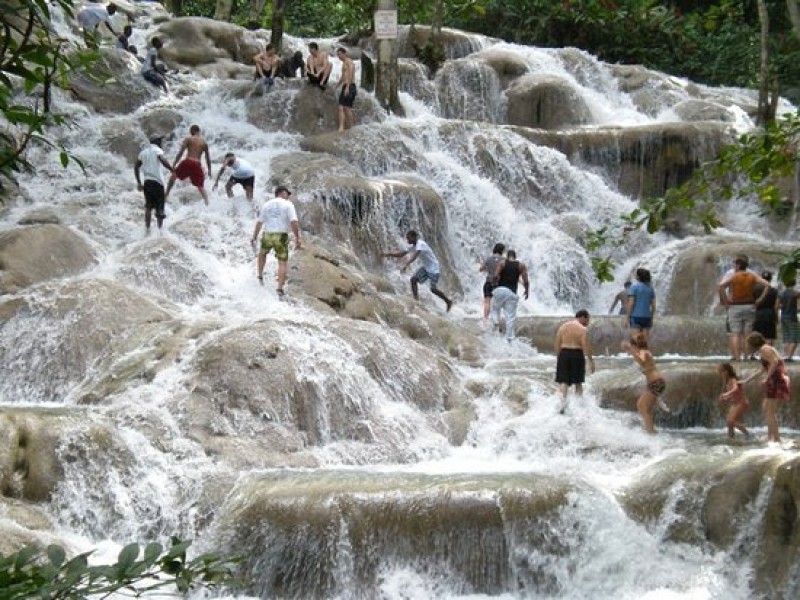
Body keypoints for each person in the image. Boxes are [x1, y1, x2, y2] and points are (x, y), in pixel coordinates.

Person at [383, 230, 453, 312]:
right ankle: (416, 300)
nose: (407, 240)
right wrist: (388, 254)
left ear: (413, 237)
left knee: (433, 289)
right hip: (426, 267)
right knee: (413, 280)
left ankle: (448, 301)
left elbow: (415, 255)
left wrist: (406, 264)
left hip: (434, 268)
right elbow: (402, 254)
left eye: (408, 238)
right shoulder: (414, 246)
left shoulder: (421, 244)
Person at [250, 186, 302, 297]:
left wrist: (254, 236)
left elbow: (259, 222)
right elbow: (293, 222)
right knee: (282, 262)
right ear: (282, 193)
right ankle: (279, 289)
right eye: (287, 194)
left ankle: (260, 276)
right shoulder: (288, 204)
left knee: (262, 254)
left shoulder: (267, 204)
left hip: (268, 234)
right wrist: (297, 238)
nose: (288, 196)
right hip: (281, 235)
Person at [718, 256, 769, 361]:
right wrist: (760, 299)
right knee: (747, 334)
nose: (734, 267)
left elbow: (721, 286)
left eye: (735, 265)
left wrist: (725, 301)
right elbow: (767, 284)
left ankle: (737, 358)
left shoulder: (734, 276)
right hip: (749, 306)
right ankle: (746, 357)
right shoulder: (752, 276)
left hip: (735, 306)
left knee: (735, 334)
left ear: (738, 265)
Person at [745, 332, 791, 443]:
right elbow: (762, 369)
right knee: (766, 408)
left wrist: (767, 378)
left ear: (753, 343)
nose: (746, 346)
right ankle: (770, 436)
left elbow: (775, 362)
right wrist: (746, 380)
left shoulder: (765, 349)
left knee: (770, 411)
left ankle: (777, 439)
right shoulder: (765, 349)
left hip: (775, 381)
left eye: (748, 344)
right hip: (774, 380)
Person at [621, 332, 665, 434]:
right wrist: (630, 349)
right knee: (644, 407)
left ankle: (650, 433)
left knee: (643, 407)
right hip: (654, 383)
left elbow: (641, 361)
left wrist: (630, 348)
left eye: (633, 346)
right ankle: (650, 430)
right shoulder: (642, 352)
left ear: (635, 346)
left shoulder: (644, 352)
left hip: (656, 382)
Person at [554, 310, 595, 414]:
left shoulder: (563, 327)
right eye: (587, 319)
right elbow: (585, 346)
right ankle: (579, 406)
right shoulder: (583, 329)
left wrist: (559, 358)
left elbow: (557, 344)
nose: (588, 322)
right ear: (582, 317)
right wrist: (591, 361)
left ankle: (562, 405)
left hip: (564, 353)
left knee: (563, 381)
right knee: (578, 382)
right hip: (577, 354)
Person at [133, 135, 173, 234]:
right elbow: (163, 160)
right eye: (160, 141)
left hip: (147, 182)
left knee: (148, 207)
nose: (161, 142)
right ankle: (160, 231)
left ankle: (147, 229)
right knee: (160, 208)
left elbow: (136, 167)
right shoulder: (157, 150)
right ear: (157, 142)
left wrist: (139, 182)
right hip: (157, 182)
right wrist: (172, 169)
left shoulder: (143, 152)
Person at [489, 249, 530, 343]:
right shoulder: (521, 266)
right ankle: (509, 339)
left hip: (500, 290)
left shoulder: (502, 263)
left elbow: (495, 276)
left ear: (507, 256)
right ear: (515, 257)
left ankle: (496, 323)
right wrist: (527, 291)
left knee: (495, 309)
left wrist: (493, 284)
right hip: (511, 293)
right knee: (510, 317)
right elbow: (526, 280)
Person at [165, 124, 212, 206]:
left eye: (190, 132)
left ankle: (166, 194)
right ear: (199, 131)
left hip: (188, 161)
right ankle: (207, 203)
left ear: (193, 131)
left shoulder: (188, 139)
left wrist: (174, 163)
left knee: (174, 175)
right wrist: (209, 170)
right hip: (197, 164)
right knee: (200, 186)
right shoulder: (204, 143)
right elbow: (208, 158)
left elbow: (181, 152)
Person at [717, 362, 751, 441]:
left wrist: (726, 394)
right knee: (729, 422)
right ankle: (731, 438)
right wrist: (725, 398)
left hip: (742, 403)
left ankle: (747, 434)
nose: (720, 375)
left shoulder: (733, 379)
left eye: (721, 372)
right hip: (736, 403)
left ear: (726, 372)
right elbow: (732, 395)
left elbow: (735, 389)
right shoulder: (726, 381)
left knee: (731, 421)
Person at [478, 243, 505, 324]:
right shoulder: (504, 260)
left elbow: (481, 269)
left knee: (487, 302)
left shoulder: (489, 258)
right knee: (497, 303)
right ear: (501, 250)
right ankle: (496, 320)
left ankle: (485, 320)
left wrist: (486, 268)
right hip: (498, 284)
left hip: (488, 282)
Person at [752, 270, 779, 351]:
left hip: (758, 314)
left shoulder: (755, 289)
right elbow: (776, 306)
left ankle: (757, 352)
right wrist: (776, 317)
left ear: (761, 278)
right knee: (769, 336)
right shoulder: (774, 291)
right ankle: (768, 352)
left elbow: (753, 302)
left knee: (758, 335)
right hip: (770, 314)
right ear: (770, 279)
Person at [627, 268, 656, 338]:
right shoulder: (650, 288)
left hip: (635, 317)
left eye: (636, 274)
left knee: (635, 339)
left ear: (638, 276)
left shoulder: (634, 287)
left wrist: (627, 316)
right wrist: (651, 318)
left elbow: (631, 303)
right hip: (647, 317)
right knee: (644, 340)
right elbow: (653, 306)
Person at [336, 47, 357, 131]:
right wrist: (337, 84)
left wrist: (347, 87)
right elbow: (343, 76)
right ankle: (343, 127)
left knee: (346, 107)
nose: (338, 56)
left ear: (344, 53)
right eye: (337, 55)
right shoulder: (344, 63)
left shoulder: (349, 61)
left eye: (340, 54)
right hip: (346, 86)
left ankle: (350, 127)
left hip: (350, 86)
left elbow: (351, 73)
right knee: (342, 107)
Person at [780, 278, 800, 361]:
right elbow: (798, 307)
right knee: (795, 338)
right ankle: (789, 356)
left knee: (787, 337)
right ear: (794, 283)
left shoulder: (782, 293)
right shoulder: (796, 293)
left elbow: (779, 305)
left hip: (783, 316)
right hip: (792, 317)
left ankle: (786, 355)